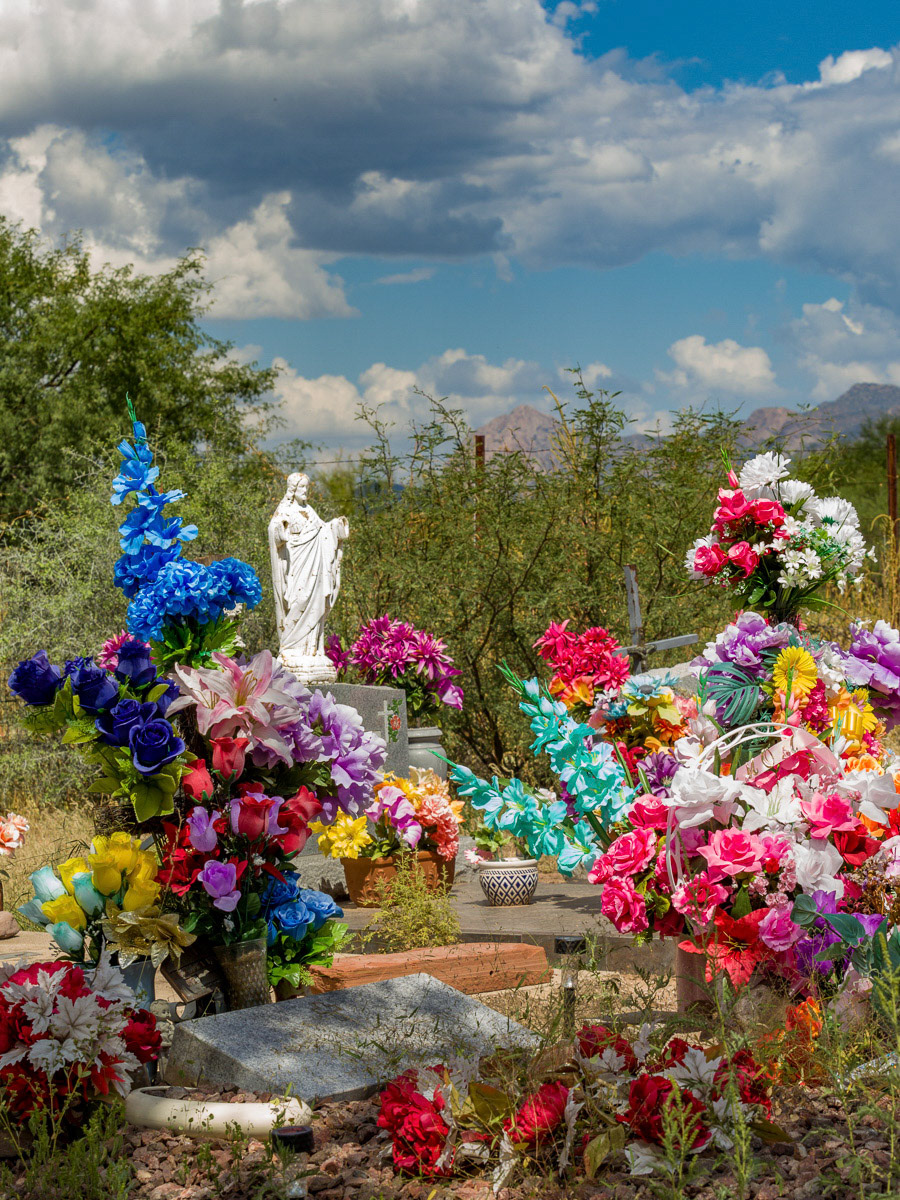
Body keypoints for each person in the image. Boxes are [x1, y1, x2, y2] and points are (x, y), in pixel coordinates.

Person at [268, 473, 349, 682]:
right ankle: (291, 647)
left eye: (307, 487)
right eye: (302, 488)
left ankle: (311, 649)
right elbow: (274, 530)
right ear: (293, 489)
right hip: (297, 566)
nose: (306, 491)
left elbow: (323, 530)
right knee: (299, 601)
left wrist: (335, 526)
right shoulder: (286, 509)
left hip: (316, 567)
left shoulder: (310, 511)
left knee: (316, 603)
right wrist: (281, 529)